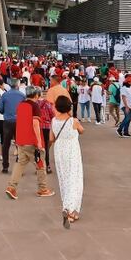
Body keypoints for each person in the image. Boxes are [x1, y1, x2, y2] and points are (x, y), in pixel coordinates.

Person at [4, 87, 54, 201]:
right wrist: (39, 142)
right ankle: (43, 189)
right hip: (31, 141)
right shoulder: (34, 106)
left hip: (21, 140)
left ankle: (12, 187)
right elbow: (35, 124)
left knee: (20, 164)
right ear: (36, 95)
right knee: (40, 165)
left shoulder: (21, 104)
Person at [50, 95, 83, 228]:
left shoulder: (54, 121)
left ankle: (69, 208)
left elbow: (51, 138)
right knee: (74, 180)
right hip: (72, 152)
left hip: (59, 152)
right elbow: (82, 131)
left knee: (63, 179)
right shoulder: (73, 121)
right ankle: (69, 210)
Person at [0, 79, 24, 174]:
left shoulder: (5, 95)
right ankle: (19, 166)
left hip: (8, 121)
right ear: (17, 85)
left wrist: (6, 111)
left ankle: (5, 166)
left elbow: (0, 109)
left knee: (6, 144)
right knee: (20, 144)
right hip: (19, 121)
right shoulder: (22, 95)